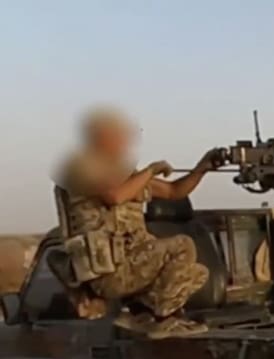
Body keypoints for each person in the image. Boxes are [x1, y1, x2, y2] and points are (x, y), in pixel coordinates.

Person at [51, 107, 223, 337]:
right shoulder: (84, 168)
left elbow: (174, 191)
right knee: (183, 245)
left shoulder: (124, 175)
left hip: (132, 263)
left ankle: (141, 313)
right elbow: (115, 196)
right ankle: (162, 319)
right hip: (109, 270)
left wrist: (202, 168)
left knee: (196, 273)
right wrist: (150, 171)